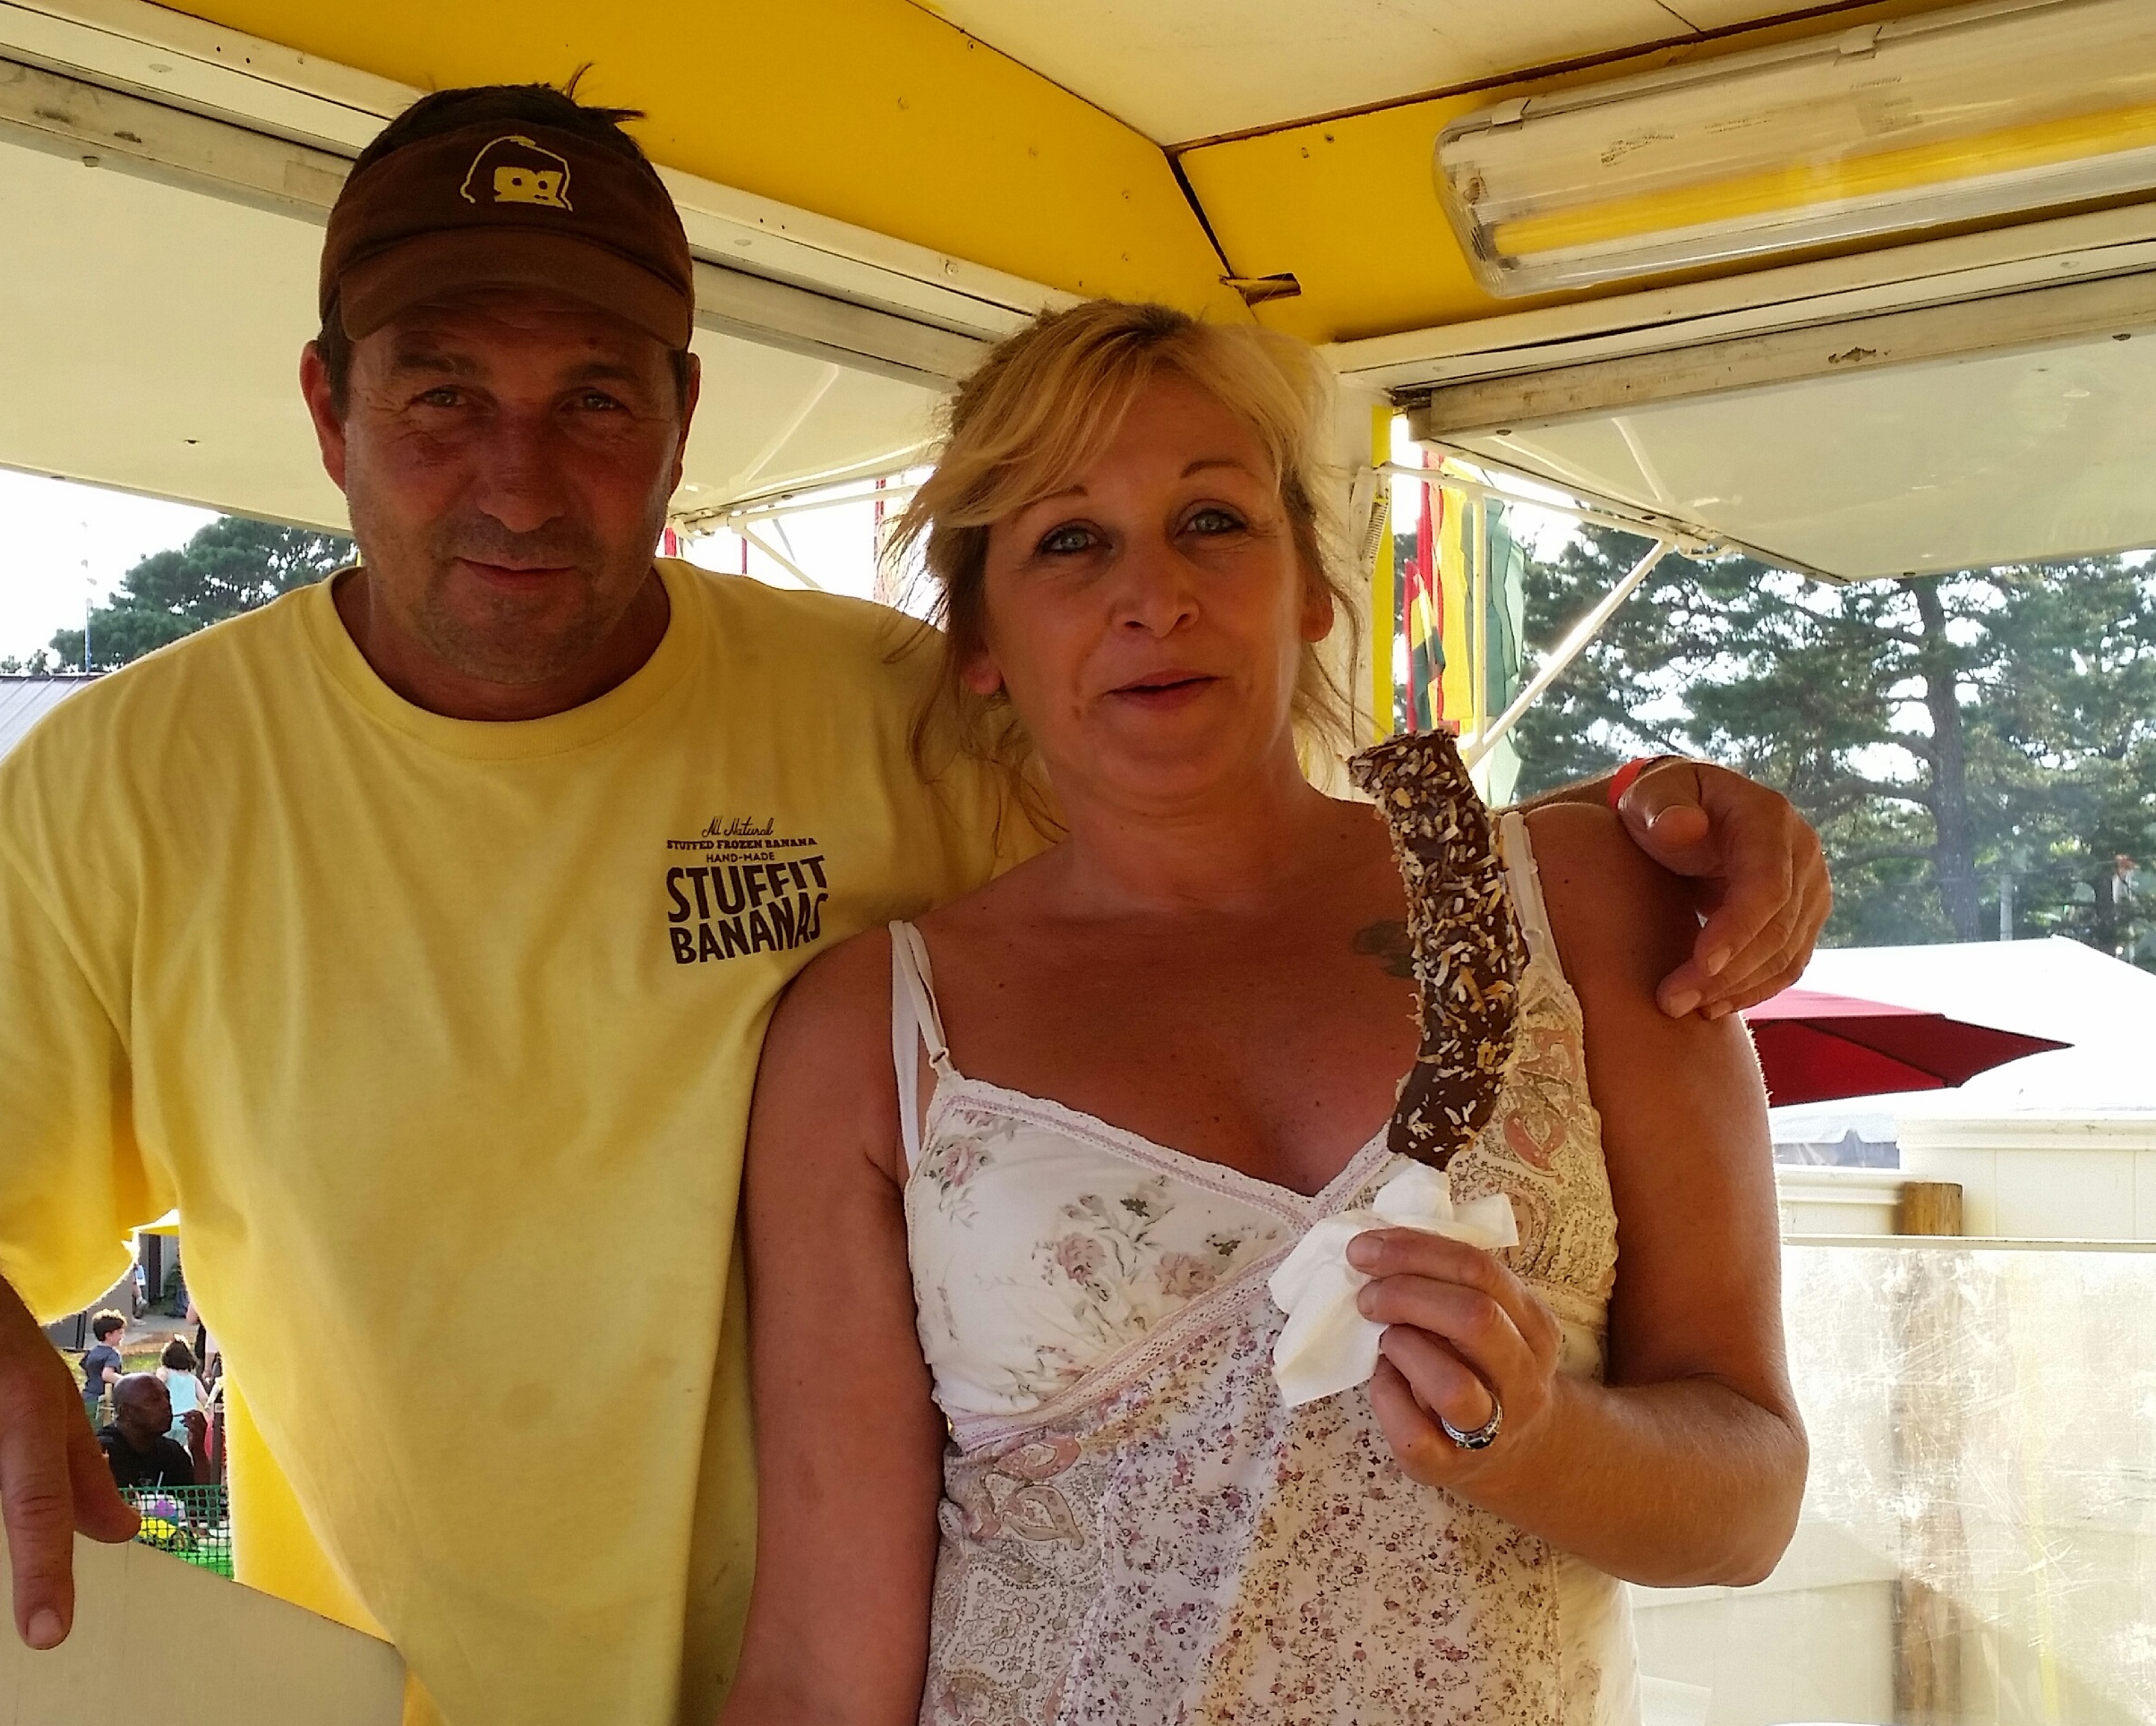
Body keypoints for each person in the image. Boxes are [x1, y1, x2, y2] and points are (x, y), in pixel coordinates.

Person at [0, 81, 1829, 1726]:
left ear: (682, 427)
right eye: (444, 398)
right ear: (329, 411)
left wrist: (1656, 820)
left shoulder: (888, 703)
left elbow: (1218, 782)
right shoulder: (130, 795)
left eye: (594, 402)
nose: (521, 476)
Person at [722, 302, 1808, 1722]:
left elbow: (1749, 1495)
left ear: (1308, 582)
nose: (1154, 595)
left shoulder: (1584, 902)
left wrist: (1541, 1444)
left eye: (1214, 521)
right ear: (979, 638)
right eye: (1069, 541)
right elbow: (822, 1662)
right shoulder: (873, 1033)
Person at [98, 1374, 198, 1492]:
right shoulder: (101, 1452)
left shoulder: (171, 1451)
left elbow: (201, 1502)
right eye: (154, 1400)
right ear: (126, 1411)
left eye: (167, 1397)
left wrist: (198, 1450)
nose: (166, 1405)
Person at [77, 1310, 124, 1426]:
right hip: (103, 1401)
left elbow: (84, 1365)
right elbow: (107, 1375)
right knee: (102, 1430)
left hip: (87, 1396)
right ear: (108, 1335)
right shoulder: (112, 1354)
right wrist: (125, 1381)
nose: (122, 1336)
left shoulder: (92, 1351)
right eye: (119, 1333)